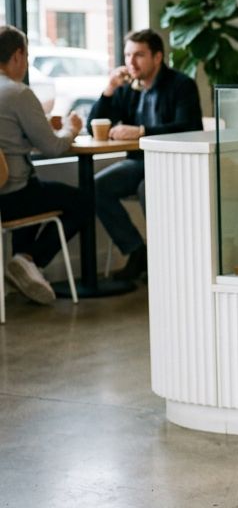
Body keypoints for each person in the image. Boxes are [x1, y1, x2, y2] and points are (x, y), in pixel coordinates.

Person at [88, 29, 202, 282]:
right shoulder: (128, 88)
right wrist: (109, 90)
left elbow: (189, 129)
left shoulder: (181, 85)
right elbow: (93, 126)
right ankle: (137, 251)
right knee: (95, 186)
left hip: (174, 164)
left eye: (139, 55)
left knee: (146, 188)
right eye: (128, 55)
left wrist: (141, 131)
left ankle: (166, 260)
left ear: (157, 57)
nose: (131, 62)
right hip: (139, 162)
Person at [0, 25, 87, 305]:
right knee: (82, 201)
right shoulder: (18, 93)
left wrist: (42, 127)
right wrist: (72, 129)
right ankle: (28, 260)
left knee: (34, 188)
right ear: (17, 56)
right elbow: (53, 147)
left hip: (5, 196)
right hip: (13, 195)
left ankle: (25, 270)